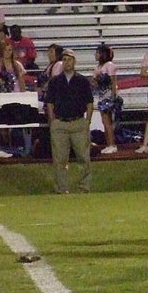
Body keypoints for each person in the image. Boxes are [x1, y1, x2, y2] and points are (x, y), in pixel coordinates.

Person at [44, 49, 94, 194]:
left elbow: (89, 103)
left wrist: (87, 121)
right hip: (60, 123)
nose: (67, 62)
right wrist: (53, 121)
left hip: (78, 122)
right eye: (64, 59)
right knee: (60, 159)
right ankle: (62, 188)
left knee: (83, 157)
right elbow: (50, 103)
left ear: (74, 61)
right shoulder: (55, 81)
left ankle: (84, 187)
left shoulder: (82, 81)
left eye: (69, 59)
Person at [91, 44, 118, 154]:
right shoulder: (98, 67)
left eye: (97, 53)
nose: (95, 55)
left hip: (108, 96)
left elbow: (113, 81)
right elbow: (93, 82)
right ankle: (108, 144)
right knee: (104, 121)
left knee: (107, 121)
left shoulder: (109, 65)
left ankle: (112, 144)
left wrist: (113, 98)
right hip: (101, 96)